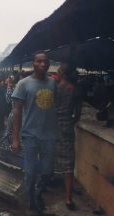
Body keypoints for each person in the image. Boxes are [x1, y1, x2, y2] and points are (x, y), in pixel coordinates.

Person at [11, 51, 60, 213]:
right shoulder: (23, 84)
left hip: (50, 136)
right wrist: (15, 139)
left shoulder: (53, 83)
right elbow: (16, 112)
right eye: (39, 61)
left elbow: (55, 108)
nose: (42, 65)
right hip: (30, 135)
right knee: (30, 172)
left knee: (47, 171)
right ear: (33, 63)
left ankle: (38, 193)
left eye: (45, 62)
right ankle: (31, 200)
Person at [54, 63, 82, 210]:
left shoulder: (54, 88)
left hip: (53, 128)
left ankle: (43, 188)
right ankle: (68, 198)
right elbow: (77, 115)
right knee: (68, 164)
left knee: (49, 157)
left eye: (58, 72)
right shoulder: (75, 90)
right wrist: (69, 122)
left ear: (62, 74)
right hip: (67, 128)